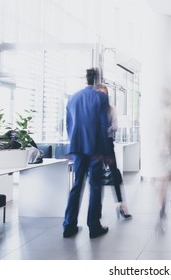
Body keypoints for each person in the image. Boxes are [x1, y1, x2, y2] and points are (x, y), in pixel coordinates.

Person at [62, 68, 111, 239]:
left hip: (77, 148)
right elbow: (103, 125)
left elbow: (69, 125)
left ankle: (69, 225)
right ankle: (94, 226)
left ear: (86, 79)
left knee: (77, 186)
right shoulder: (101, 97)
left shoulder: (72, 98)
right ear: (98, 80)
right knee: (95, 187)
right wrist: (105, 152)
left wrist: (75, 144)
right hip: (95, 149)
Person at [95, 84, 132, 220]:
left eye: (104, 93)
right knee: (97, 177)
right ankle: (97, 208)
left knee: (115, 174)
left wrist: (101, 131)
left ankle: (122, 205)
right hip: (96, 146)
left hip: (108, 144)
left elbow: (115, 127)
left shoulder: (111, 109)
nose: (102, 95)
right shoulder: (93, 110)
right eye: (100, 93)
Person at [152, 89, 171, 218]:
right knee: (167, 175)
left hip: (157, 149)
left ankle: (160, 203)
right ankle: (167, 198)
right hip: (169, 149)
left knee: (159, 177)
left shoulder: (155, 114)